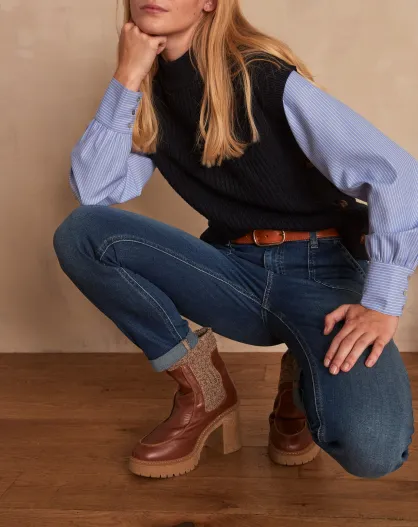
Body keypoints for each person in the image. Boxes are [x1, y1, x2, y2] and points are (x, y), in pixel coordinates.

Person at [53, 0, 417, 480]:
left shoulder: (263, 75)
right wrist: (127, 77)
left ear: (209, 2)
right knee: (84, 233)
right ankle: (205, 390)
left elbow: (398, 178)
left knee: (373, 449)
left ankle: (301, 379)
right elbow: (94, 193)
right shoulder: (145, 94)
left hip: (321, 272)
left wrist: (382, 304)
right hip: (231, 273)